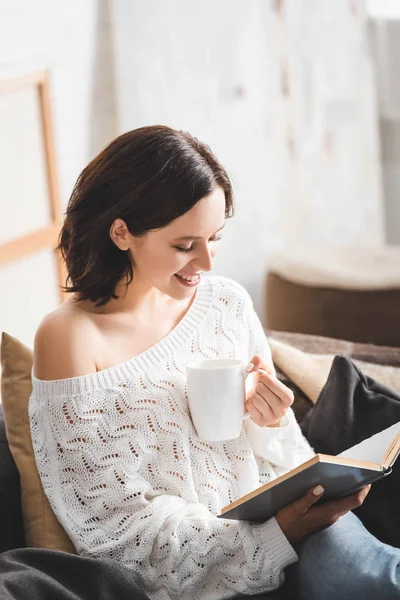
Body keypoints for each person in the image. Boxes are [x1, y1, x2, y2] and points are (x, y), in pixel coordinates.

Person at [29, 125, 400, 600]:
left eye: (215, 237)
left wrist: (270, 422)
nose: (205, 262)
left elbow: (285, 451)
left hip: (299, 522)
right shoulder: (70, 337)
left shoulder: (226, 303)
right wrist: (271, 537)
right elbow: (112, 528)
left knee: (372, 577)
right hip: (203, 566)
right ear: (121, 232)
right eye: (185, 245)